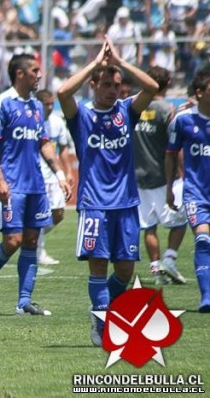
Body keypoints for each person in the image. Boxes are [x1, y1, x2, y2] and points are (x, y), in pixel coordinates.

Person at [57, 36, 158, 346]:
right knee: (99, 266)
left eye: (117, 85)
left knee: (125, 271)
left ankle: (103, 310)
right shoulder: (82, 116)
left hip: (126, 204)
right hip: (94, 204)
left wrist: (120, 63)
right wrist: (95, 65)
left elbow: (152, 88)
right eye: (107, 85)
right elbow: (62, 91)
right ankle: (101, 327)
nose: (114, 90)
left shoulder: (126, 111)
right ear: (94, 86)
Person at [0, 55, 71, 318]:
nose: (40, 75)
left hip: (36, 185)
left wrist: (60, 174)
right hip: (12, 186)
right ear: (19, 73)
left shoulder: (38, 107)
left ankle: (24, 302)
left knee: (31, 240)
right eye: (35, 70)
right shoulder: (2, 103)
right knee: (12, 241)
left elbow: (44, 143)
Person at [133, 67, 187, 286]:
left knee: (149, 225)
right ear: (167, 84)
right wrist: (183, 173)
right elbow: (174, 147)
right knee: (180, 219)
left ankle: (156, 269)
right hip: (163, 176)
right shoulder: (167, 110)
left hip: (138, 176)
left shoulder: (133, 107)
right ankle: (169, 258)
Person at [166, 68, 210, 313]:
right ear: (200, 93)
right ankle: (207, 297)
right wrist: (170, 189)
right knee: (203, 241)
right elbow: (170, 155)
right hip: (196, 194)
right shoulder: (183, 121)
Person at [35, 89, 74, 266]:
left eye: (52, 103)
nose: (50, 107)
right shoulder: (32, 121)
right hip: (37, 175)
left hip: (54, 175)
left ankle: (31, 236)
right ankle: (39, 251)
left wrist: (68, 172)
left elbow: (63, 148)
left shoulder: (57, 122)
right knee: (40, 213)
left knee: (58, 214)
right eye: (47, 104)